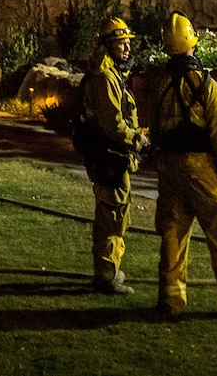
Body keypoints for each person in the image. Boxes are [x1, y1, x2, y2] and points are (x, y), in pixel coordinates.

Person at [152, 13, 217, 320]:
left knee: (173, 238)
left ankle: (171, 302)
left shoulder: (159, 84)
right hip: (204, 172)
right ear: (191, 45)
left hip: (171, 170)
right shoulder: (206, 85)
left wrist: (162, 163)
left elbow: (157, 131)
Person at [74, 16, 142, 294]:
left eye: (127, 43)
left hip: (112, 155)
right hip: (109, 156)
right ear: (107, 45)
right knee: (111, 217)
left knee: (116, 214)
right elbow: (113, 124)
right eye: (120, 43)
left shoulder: (111, 73)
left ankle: (109, 269)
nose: (126, 48)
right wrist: (138, 139)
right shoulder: (104, 78)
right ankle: (106, 276)